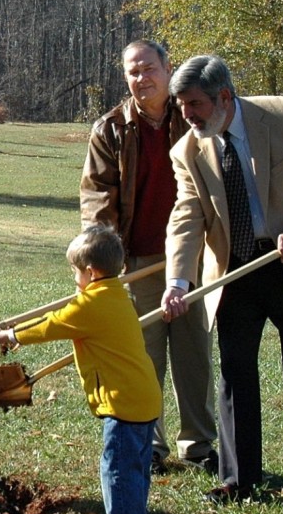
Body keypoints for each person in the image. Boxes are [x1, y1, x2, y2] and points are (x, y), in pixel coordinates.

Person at [160, 55, 283, 506]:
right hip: (235, 270)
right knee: (234, 375)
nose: (187, 115)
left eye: (194, 104)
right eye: (181, 106)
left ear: (224, 97)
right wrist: (177, 282)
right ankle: (237, 480)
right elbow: (186, 218)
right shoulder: (187, 151)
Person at [0, 225, 162, 514]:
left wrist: (6, 336)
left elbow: (51, 324)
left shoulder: (90, 306)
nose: (74, 278)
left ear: (91, 272)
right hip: (144, 399)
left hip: (123, 405)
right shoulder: (118, 295)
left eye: (75, 271)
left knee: (117, 471)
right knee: (135, 472)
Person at [80, 40, 217, 476]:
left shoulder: (192, 115)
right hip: (138, 261)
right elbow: (97, 200)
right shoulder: (111, 129)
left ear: (167, 68)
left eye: (149, 69)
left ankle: (198, 445)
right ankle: (150, 445)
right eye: (133, 72)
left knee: (194, 354)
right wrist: (101, 260)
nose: (142, 78)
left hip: (194, 255)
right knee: (144, 357)